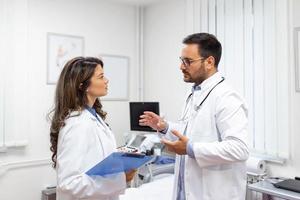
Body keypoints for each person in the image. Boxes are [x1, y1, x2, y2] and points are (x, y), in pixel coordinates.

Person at [139, 33, 249, 200]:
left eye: (187, 61)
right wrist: (164, 127)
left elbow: (239, 149)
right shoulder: (193, 94)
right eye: (181, 60)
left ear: (209, 62)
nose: (181, 66)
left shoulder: (227, 98)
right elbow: (190, 133)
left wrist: (191, 149)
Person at [49, 57, 136, 200]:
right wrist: (120, 179)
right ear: (83, 86)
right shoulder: (77, 124)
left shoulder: (93, 117)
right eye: (101, 77)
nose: (107, 80)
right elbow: (69, 183)